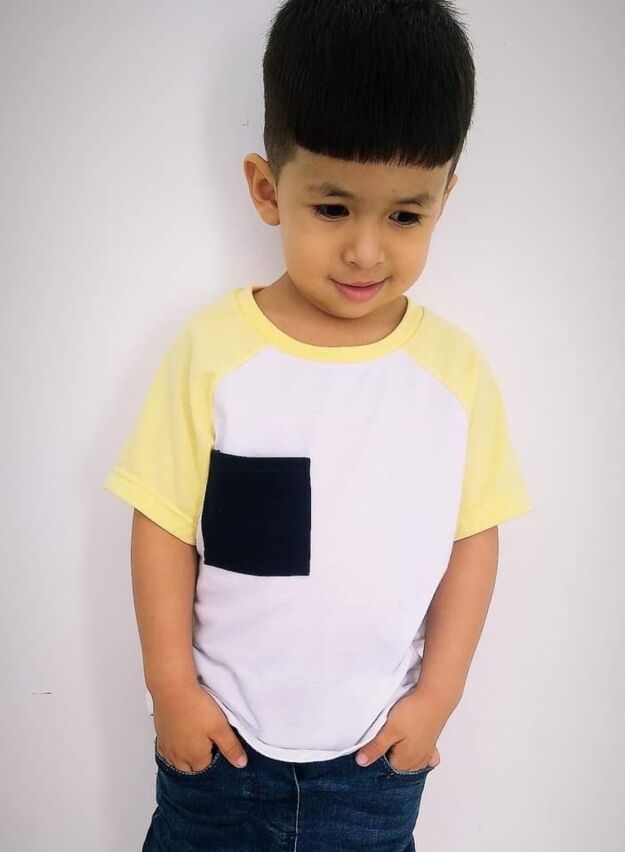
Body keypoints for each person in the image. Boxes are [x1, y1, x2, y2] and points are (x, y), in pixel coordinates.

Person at [103, 1, 534, 849]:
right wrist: (172, 690)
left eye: (404, 216)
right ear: (269, 190)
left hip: (373, 761)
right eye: (333, 209)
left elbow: (473, 539)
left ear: (444, 199)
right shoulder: (213, 351)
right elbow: (161, 522)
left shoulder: (453, 373)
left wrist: (436, 700)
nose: (366, 252)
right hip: (220, 751)